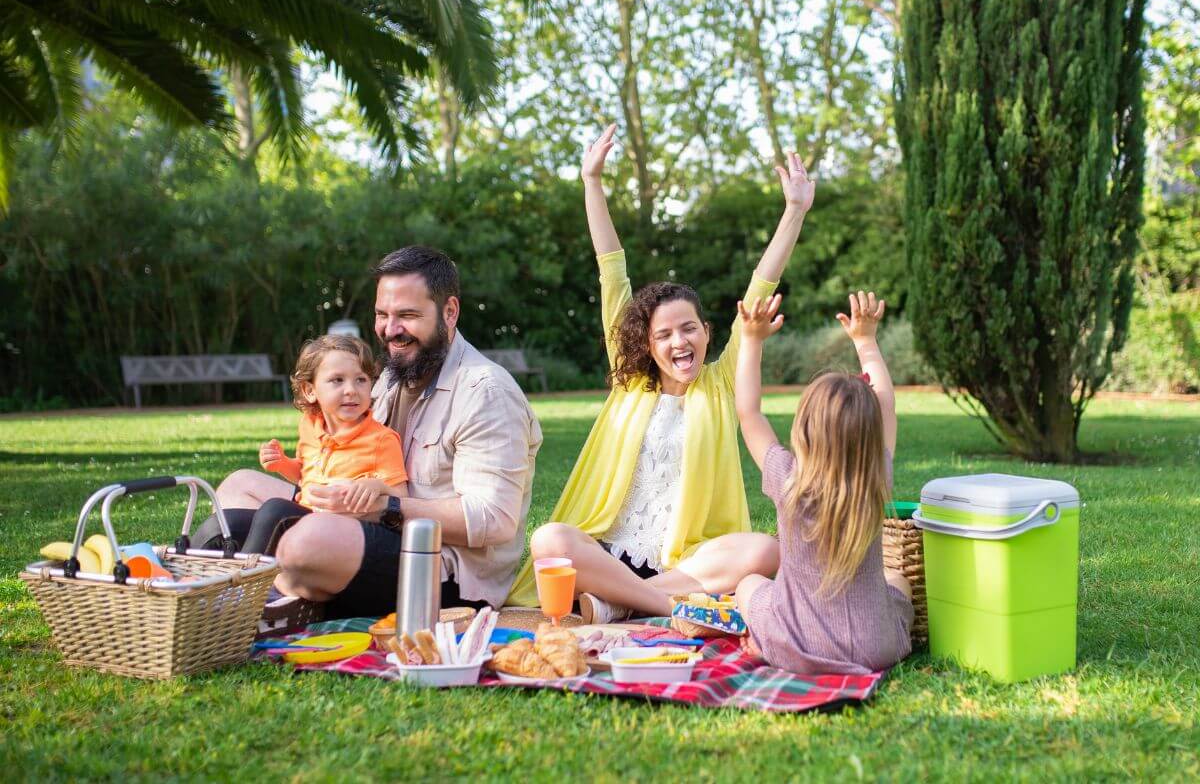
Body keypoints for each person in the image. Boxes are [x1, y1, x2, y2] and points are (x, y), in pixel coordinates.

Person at [507, 123, 814, 622]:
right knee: (550, 539)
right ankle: (662, 606)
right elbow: (612, 269)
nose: (679, 342)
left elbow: (761, 287)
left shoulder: (721, 384)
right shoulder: (630, 380)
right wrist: (592, 182)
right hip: (607, 551)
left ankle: (614, 605)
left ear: (708, 332)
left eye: (688, 329)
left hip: (685, 563)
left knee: (764, 551)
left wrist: (794, 210)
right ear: (646, 345)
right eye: (665, 335)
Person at [193, 246, 542, 620]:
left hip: (441, 569)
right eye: (382, 315)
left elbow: (494, 519)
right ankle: (208, 591)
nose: (390, 330)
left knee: (304, 542)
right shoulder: (393, 375)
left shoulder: (485, 391)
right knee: (238, 487)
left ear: (449, 311)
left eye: (407, 315)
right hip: (363, 521)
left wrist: (385, 508)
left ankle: (259, 603)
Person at [732, 290, 914, 674]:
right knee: (897, 579)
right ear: (870, 435)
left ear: (804, 429)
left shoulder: (788, 479)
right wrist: (865, 342)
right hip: (874, 646)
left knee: (748, 584)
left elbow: (748, 414)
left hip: (796, 644)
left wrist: (751, 341)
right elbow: (886, 404)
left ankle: (767, 646)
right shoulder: (875, 475)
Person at [238, 334, 408, 555]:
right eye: (338, 380)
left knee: (274, 510)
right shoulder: (309, 426)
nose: (351, 390)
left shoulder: (381, 439)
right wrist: (282, 464)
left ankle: (244, 585)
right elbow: (305, 474)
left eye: (361, 379)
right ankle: (192, 581)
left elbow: (401, 496)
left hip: (344, 531)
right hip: (307, 514)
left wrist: (375, 486)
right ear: (310, 391)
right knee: (230, 521)